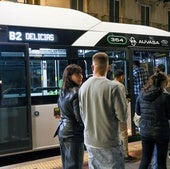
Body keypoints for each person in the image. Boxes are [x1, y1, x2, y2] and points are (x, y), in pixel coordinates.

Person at [79, 52, 127, 169]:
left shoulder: (83, 87)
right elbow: (122, 116)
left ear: (92, 67)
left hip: (90, 141)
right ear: (108, 67)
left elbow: (82, 114)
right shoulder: (113, 87)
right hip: (109, 142)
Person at [135, 72, 170, 169]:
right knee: (161, 161)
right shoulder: (166, 97)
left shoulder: (141, 94)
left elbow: (138, 112)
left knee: (145, 159)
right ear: (163, 83)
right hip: (161, 133)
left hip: (145, 131)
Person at [54, 64, 84, 169]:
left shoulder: (63, 91)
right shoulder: (76, 91)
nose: (81, 76)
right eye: (78, 74)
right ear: (70, 76)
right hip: (73, 133)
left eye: (81, 73)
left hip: (62, 131)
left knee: (67, 164)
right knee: (75, 164)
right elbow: (79, 117)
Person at [113, 69, 136, 162]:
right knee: (123, 134)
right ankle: (125, 154)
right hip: (120, 114)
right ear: (121, 76)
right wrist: (127, 101)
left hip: (112, 115)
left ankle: (117, 154)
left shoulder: (110, 84)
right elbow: (122, 101)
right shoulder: (120, 85)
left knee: (116, 135)